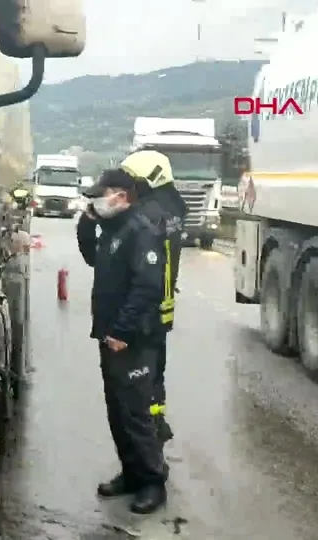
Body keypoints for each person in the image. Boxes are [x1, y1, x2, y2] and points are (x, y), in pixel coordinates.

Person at [76, 169, 168, 514]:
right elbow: (91, 257)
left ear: (122, 196)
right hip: (110, 335)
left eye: (103, 195)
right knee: (117, 410)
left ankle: (152, 481)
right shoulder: (114, 229)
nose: (98, 201)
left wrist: (122, 332)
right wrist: (87, 222)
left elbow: (148, 287)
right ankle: (131, 473)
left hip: (132, 339)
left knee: (135, 412)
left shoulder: (140, 231)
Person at [119, 150, 188, 446]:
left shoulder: (147, 214)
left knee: (136, 378)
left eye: (133, 181)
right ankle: (157, 421)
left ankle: (146, 443)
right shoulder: (173, 208)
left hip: (143, 310)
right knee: (154, 370)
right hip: (162, 308)